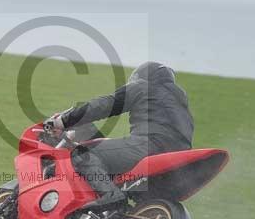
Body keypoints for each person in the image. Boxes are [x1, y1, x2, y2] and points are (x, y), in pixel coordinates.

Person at [44, 61, 194, 211]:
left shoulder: (143, 87)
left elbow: (105, 105)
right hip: (178, 160)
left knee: (83, 154)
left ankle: (111, 196)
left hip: (149, 146)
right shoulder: (181, 105)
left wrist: (63, 121)